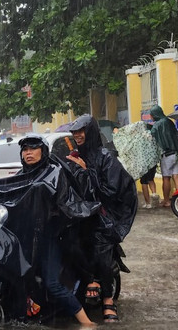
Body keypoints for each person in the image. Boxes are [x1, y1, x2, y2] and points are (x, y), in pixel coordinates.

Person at [16, 134, 97, 327]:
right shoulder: (20, 176)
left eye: (33, 149)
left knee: (52, 283)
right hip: (28, 238)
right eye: (25, 150)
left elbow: (64, 203)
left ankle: (87, 322)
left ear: (43, 151)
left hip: (52, 237)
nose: (28, 153)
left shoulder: (55, 173)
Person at [64, 115, 137, 324]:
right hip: (79, 214)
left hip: (103, 215)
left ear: (91, 131)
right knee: (67, 243)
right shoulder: (73, 155)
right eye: (74, 132)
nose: (77, 135)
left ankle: (107, 300)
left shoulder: (106, 158)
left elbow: (112, 190)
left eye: (81, 131)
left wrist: (87, 172)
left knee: (101, 247)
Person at [148, 105, 178, 208]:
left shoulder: (157, 125)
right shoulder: (169, 122)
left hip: (166, 155)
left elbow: (152, 139)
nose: (151, 117)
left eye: (151, 115)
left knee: (166, 178)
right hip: (176, 154)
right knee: (177, 177)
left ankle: (167, 201)